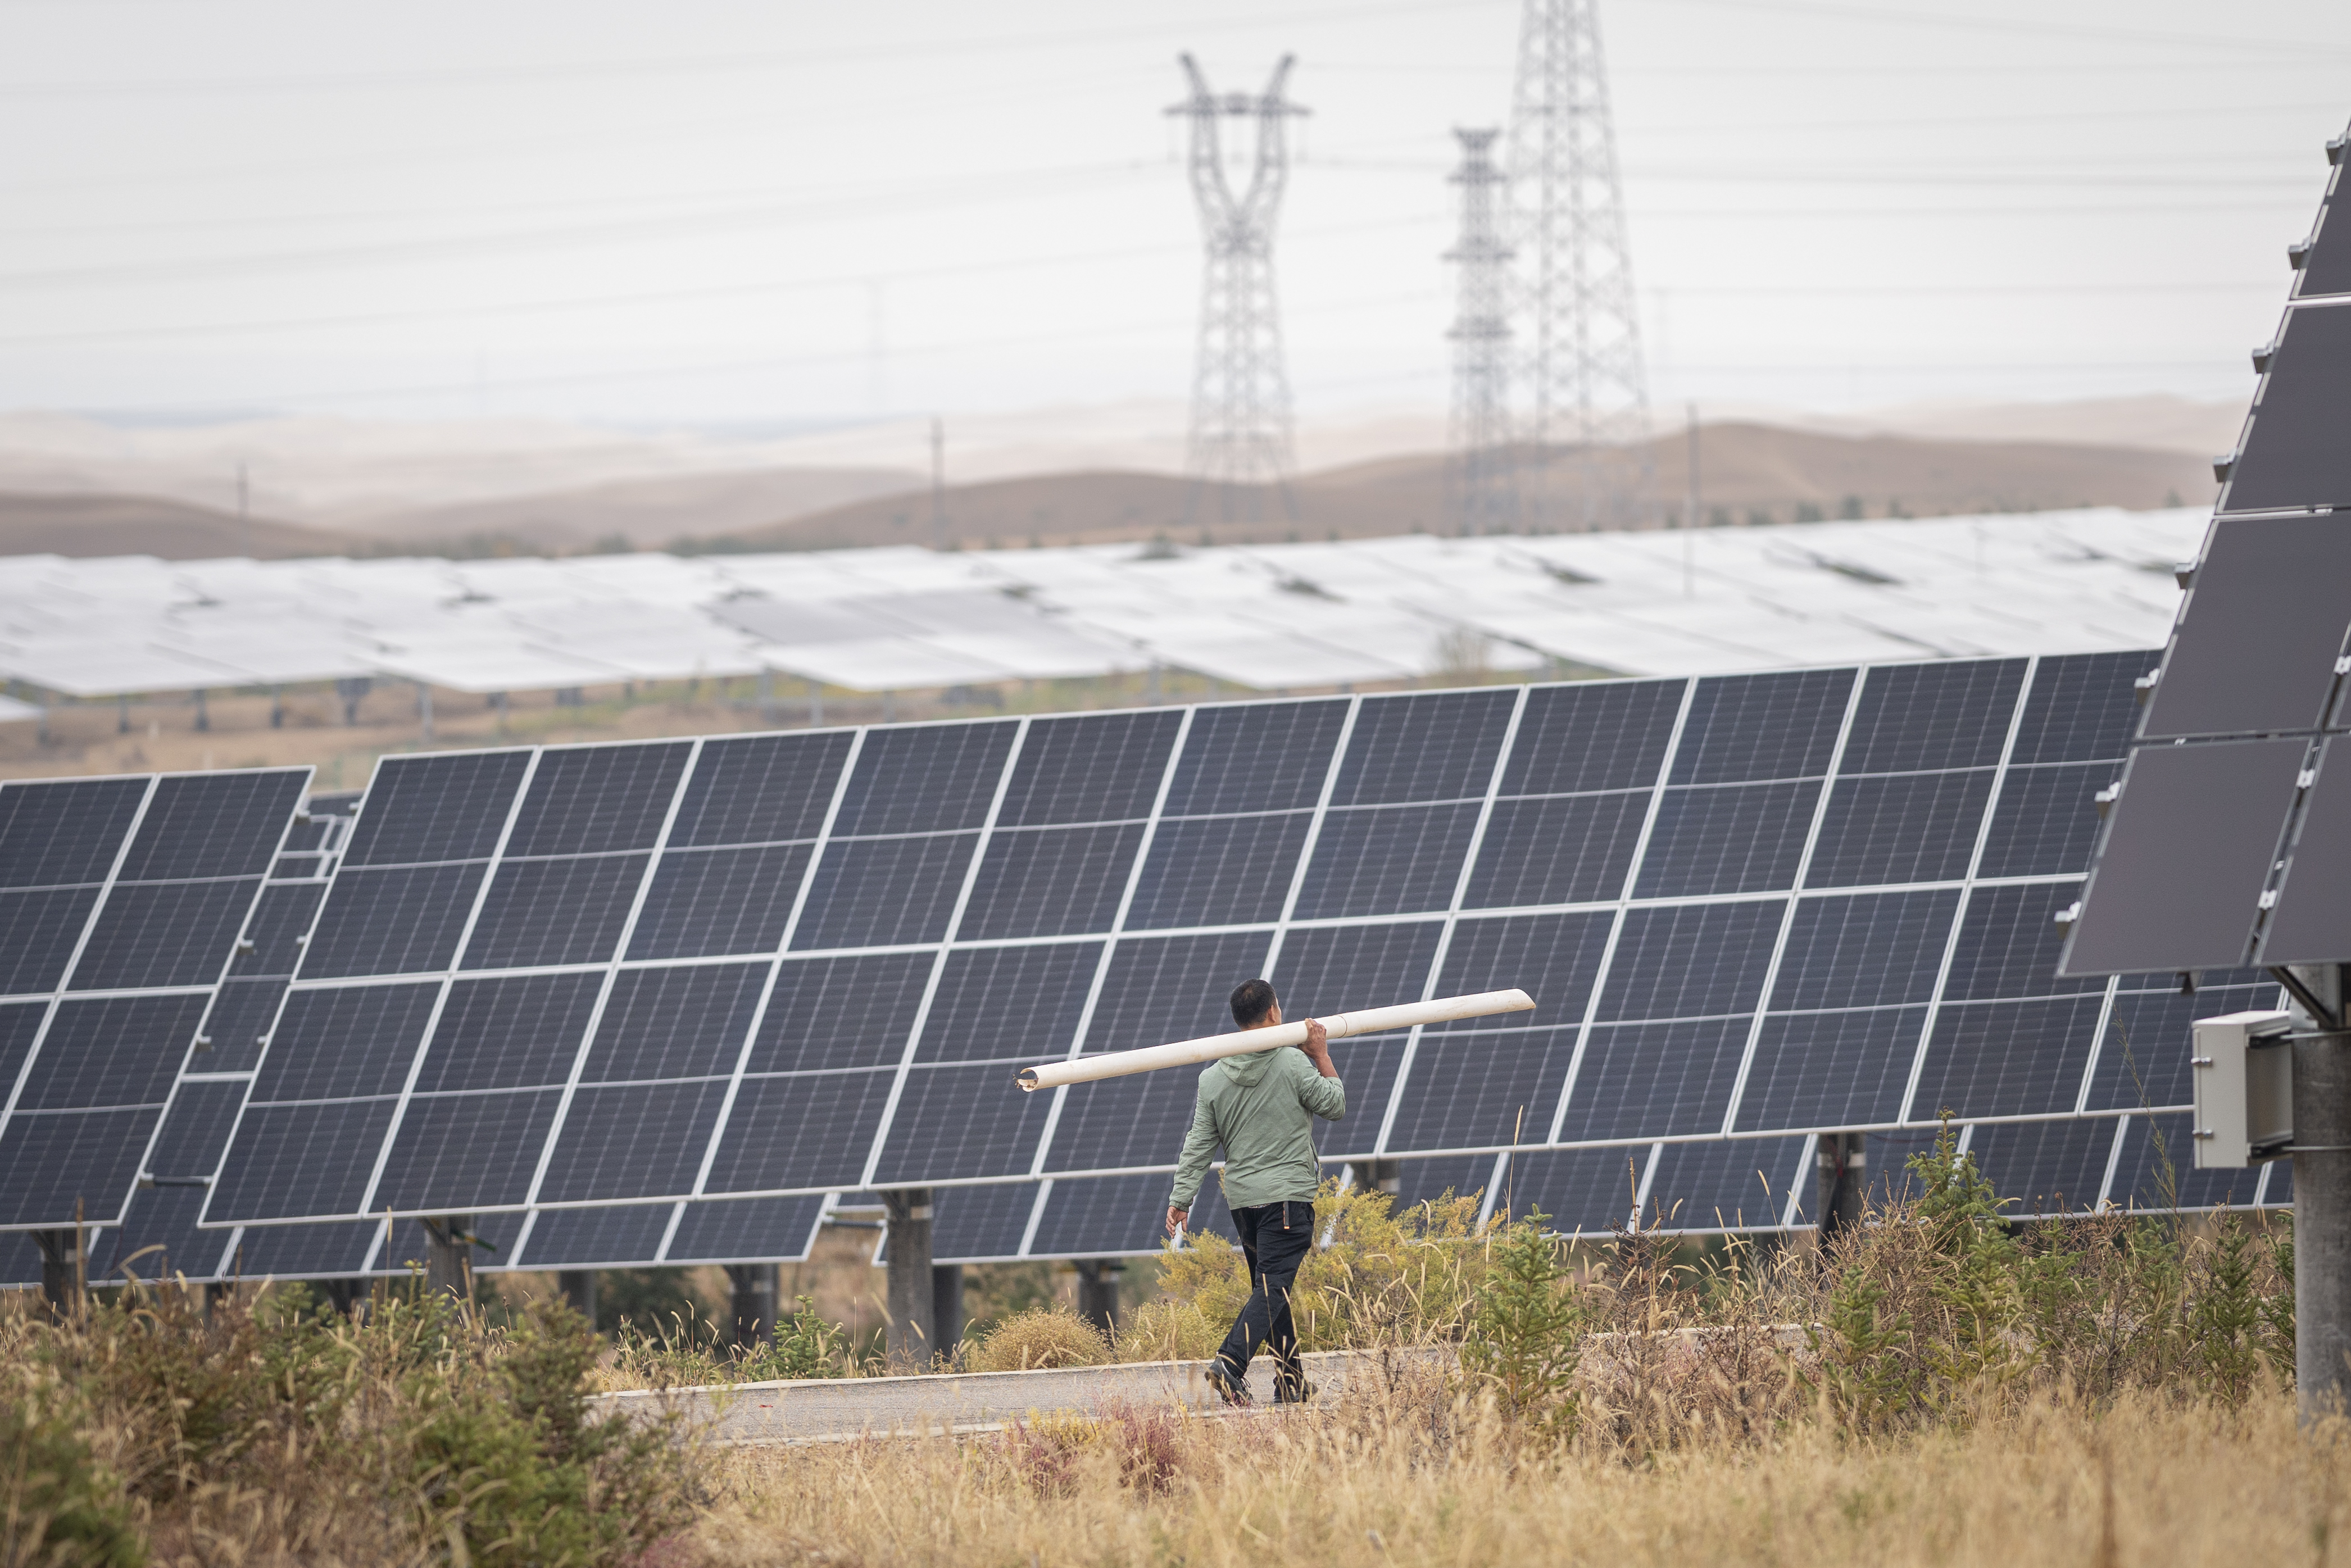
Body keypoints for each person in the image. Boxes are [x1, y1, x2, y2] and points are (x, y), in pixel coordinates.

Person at [1164, 977, 1345, 1405]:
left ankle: (1291, 1382)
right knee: (1274, 1287)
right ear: (1273, 1014)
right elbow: (1335, 1103)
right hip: (1287, 1197)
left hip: (1244, 1202)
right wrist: (1321, 1055)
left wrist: (1181, 1198)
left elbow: (1198, 1143)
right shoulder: (1293, 1063)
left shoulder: (1213, 1078)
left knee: (1270, 1289)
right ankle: (1230, 1361)